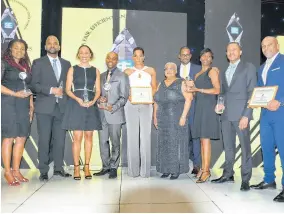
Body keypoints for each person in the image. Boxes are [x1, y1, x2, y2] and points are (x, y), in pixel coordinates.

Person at [211, 42, 257, 191]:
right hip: (226, 115)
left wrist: (246, 115)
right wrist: (219, 104)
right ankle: (228, 174)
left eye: (234, 49)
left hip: (241, 115)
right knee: (228, 147)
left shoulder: (248, 67)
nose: (231, 52)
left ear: (240, 52)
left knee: (245, 148)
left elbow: (252, 92)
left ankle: (245, 179)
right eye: (228, 50)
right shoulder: (225, 70)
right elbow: (223, 93)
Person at [31, 35, 71, 181]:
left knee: (60, 140)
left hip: (62, 108)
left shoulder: (67, 64)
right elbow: (33, 85)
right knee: (44, 140)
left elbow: (68, 86)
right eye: (49, 43)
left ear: (59, 47)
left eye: (55, 43)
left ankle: (59, 169)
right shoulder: (38, 63)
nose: (52, 45)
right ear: (45, 46)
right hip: (44, 108)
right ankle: (43, 169)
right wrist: (51, 90)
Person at [250, 36, 284, 202]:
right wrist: (256, 99)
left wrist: (281, 101)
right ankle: (269, 179)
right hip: (265, 114)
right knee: (267, 148)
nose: (265, 48)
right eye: (263, 46)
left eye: (269, 44)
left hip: (281, 112)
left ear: (277, 45)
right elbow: (260, 89)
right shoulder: (261, 67)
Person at [62, 45, 102, 180]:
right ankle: (76, 168)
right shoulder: (72, 69)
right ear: (78, 55)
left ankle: (87, 167)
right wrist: (77, 99)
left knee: (89, 137)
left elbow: (98, 90)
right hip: (76, 104)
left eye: (87, 52)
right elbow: (67, 89)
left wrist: (94, 100)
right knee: (77, 137)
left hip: (91, 105)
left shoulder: (95, 70)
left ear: (90, 54)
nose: (84, 55)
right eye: (81, 53)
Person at [1, 39, 34, 186]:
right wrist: (15, 94)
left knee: (21, 137)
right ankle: (7, 172)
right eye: (16, 48)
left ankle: (16, 170)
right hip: (8, 103)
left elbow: (29, 86)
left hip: (23, 105)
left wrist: (31, 105)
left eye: (22, 48)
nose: (19, 51)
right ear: (10, 49)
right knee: (9, 137)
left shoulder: (26, 65)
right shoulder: (3, 63)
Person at [154, 62, 193, 179]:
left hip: (176, 118)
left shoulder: (181, 82)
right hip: (162, 119)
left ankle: (175, 170)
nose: (169, 70)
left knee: (175, 144)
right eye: (166, 68)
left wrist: (183, 117)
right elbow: (156, 101)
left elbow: (189, 99)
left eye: (172, 68)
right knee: (164, 144)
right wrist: (155, 117)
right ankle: (165, 169)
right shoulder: (160, 84)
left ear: (176, 71)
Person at [93, 52, 129, 179]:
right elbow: (96, 94)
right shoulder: (101, 76)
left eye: (114, 58)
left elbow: (124, 97)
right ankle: (105, 166)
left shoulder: (123, 76)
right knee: (103, 141)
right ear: (105, 59)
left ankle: (114, 167)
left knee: (115, 142)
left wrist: (112, 107)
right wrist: (99, 100)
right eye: (109, 58)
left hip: (115, 114)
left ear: (117, 60)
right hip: (102, 114)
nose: (111, 60)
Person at [187, 48, 220, 183]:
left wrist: (197, 89)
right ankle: (202, 168)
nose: (206, 58)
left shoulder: (212, 71)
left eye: (208, 56)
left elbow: (217, 89)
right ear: (200, 58)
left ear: (211, 59)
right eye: (203, 56)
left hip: (208, 108)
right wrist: (190, 89)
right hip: (199, 108)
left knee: (205, 139)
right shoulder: (196, 75)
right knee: (201, 140)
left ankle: (206, 171)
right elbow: (195, 94)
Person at [124, 47, 157, 178]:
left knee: (145, 137)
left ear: (144, 57)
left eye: (140, 55)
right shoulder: (127, 71)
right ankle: (133, 171)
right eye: (135, 56)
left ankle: (145, 171)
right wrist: (128, 96)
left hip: (146, 105)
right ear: (132, 57)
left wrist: (149, 98)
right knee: (132, 136)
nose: (138, 58)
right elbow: (124, 88)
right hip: (131, 104)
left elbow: (154, 88)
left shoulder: (150, 71)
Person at [177, 46, 201, 175]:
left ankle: (197, 165)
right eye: (183, 54)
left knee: (195, 136)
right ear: (179, 56)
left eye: (187, 54)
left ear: (190, 56)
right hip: (179, 108)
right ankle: (182, 164)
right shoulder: (174, 70)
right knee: (181, 136)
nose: (185, 56)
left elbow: (201, 87)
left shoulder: (198, 69)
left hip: (194, 107)